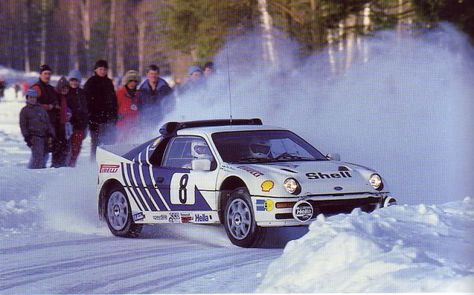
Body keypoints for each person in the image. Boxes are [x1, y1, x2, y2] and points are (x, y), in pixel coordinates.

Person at [84, 59, 118, 160]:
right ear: (96, 70)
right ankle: (93, 164)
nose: (102, 71)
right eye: (100, 69)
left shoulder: (109, 83)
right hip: (95, 120)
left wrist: (114, 116)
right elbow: (86, 101)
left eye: (104, 69)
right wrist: (90, 117)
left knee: (108, 144)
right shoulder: (91, 82)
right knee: (96, 144)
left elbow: (114, 100)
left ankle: (106, 163)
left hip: (108, 119)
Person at [19, 88, 55, 169]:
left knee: (45, 155)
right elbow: (23, 125)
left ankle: (42, 171)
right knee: (37, 157)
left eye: (34, 97)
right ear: (27, 98)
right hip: (34, 137)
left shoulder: (41, 109)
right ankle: (33, 172)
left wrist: (50, 133)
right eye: (30, 97)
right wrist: (27, 137)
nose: (32, 99)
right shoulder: (25, 110)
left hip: (45, 136)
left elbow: (47, 122)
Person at [32, 64, 59, 164]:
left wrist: (56, 105)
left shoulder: (51, 89)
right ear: (40, 74)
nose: (47, 76)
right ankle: (31, 174)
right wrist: (48, 107)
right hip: (38, 125)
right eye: (45, 73)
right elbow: (31, 104)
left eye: (49, 74)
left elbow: (56, 100)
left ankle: (39, 172)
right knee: (38, 153)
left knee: (46, 152)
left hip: (50, 124)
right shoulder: (36, 88)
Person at [66, 69, 88, 167]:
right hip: (69, 125)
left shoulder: (82, 93)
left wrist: (86, 124)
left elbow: (86, 108)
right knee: (67, 148)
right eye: (72, 80)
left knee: (76, 148)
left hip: (80, 125)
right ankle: (65, 166)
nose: (74, 83)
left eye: (76, 80)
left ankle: (72, 165)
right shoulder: (66, 92)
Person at [52, 76, 72, 168]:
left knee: (65, 146)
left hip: (64, 125)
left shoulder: (65, 97)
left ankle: (62, 164)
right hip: (57, 125)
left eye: (66, 88)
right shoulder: (56, 97)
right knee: (57, 147)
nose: (65, 90)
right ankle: (56, 164)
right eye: (63, 88)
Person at [116, 70, 141, 142]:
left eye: (135, 81)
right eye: (130, 81)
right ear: (126, 81)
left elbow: (140, 109)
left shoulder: (138, 94)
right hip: (121, 126)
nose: (132, 83)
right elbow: (114, 107)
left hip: (134, 127)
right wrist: (117, 116)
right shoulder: (120, 92)